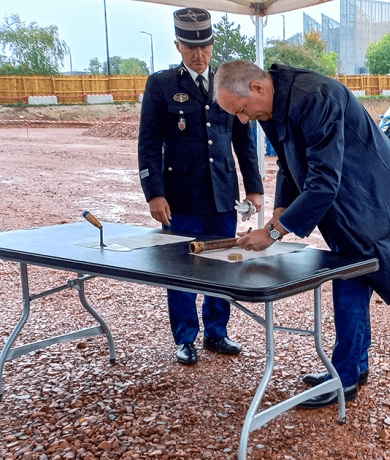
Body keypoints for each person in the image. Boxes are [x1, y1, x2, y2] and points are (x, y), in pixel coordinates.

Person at [213, 61, 390, 409]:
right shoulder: (274, 105)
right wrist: (280, 210)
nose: (244, 120)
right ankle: (352, 368)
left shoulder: (315, 98)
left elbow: (322, 184)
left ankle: (345, 378)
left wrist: (274, 232)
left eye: (243, 110)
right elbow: (289, 167)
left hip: (372, 203)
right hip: (348, 206)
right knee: (352, 281)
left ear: (258, 88)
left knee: (350, 281)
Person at [137, 8, 264, 366]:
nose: (198, 54)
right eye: (190, 47)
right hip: (179, 198)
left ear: (211, 44)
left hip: (223, 195)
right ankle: (185, 337)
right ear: (178, 45)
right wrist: (154, 193)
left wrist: (253, 187)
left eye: (204, 46)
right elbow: (148, 143)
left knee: (222, 263)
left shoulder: (229, 83)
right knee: (180, 267)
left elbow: (244, 140)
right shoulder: (161, 85)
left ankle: (217, 332)